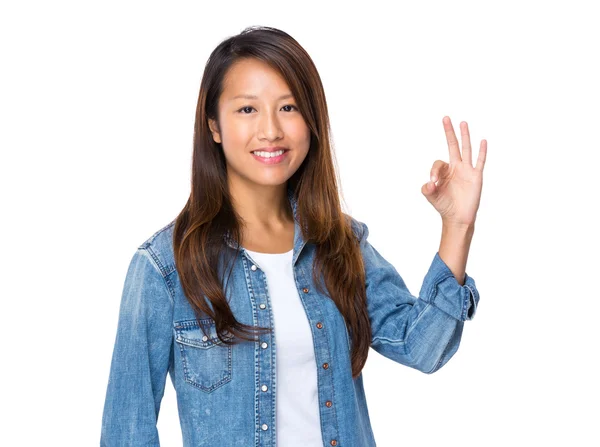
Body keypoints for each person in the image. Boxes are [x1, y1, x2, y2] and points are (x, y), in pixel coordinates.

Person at [100, 25, 487, 447]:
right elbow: (127, 432)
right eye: (247, 109)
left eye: (289, 107)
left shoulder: (340, 243)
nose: (271, 130)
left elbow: (421, 347)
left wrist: (457, 226)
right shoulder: (164, 268)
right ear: (213, 125)